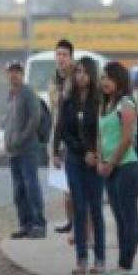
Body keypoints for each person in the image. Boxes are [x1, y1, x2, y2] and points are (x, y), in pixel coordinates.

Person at [56, 55, 106, 275]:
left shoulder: (101, 101)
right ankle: (81, 258)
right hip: (75, 159)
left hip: (95, 160)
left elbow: (103, 130)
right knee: (79, 206)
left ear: (92, 75)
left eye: (85, 72)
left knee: (96, 207)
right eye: (77, 72)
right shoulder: (68, 100)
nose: (80, 76)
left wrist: (95, 154)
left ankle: (100, 258)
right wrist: (81, 151)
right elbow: (65, 131)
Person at [98, 61, 138, 275]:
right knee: (117, 216)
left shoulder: (126, 103)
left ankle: (126, 264)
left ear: (119, 79)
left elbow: (127, 139)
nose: (104, 82)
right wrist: (100, 160)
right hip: (109, 168)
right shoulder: (105, 105)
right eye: (102, 78)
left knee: (128, 216)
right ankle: (121, 264)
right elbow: (101, 136)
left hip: (125, 166)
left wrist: (111, 163)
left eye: (108, 77)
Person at [3, 60, 45, 239]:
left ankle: (38, 224)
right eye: (11, 71)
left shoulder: (27, 92)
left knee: (31, 186)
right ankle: (25, 224)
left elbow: (35, 118)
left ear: (22, 74)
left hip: (27, 149)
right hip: (14, 151)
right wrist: (8, 140)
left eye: (17, 71)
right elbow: (8, 121)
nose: (14, 75)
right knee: (19, 189)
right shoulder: (11, 94)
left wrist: (21, 138)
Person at [49, 39, 76, 234]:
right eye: (58, 54)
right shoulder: (54, 80)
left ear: (71, 57)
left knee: (76, 189)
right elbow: (54, 109)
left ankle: (81, 226)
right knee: (65, 188)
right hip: (59, 135)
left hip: (76, 136)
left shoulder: (77, 78)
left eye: (64, 55)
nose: (61, 58)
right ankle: (71, 222)